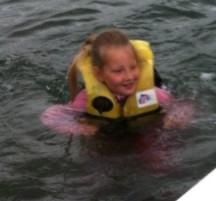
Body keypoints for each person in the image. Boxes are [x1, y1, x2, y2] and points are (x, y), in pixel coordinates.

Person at [43, 30, 191, 136]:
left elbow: (182, 105)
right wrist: (79, 129)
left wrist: (176, 117)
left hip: (142, 131)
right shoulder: (86, 98)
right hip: (105, 136)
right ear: (99, 74)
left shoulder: (151, 94)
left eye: (133, 67)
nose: (129, 77)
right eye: (118, 71)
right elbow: (51, 116)